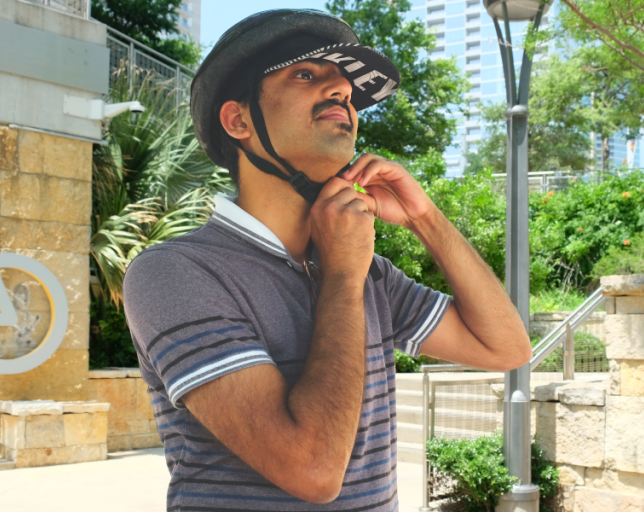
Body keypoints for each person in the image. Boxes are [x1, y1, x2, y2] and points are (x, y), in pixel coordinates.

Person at [122, 9, 530, 512]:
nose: (341, 90)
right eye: (306, 74)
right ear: (239, 120)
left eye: (346, 86)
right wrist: (342, 274)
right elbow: (312, 471)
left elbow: (507, 349)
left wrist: (426, 218)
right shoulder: (174, 272)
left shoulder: (368, 274)